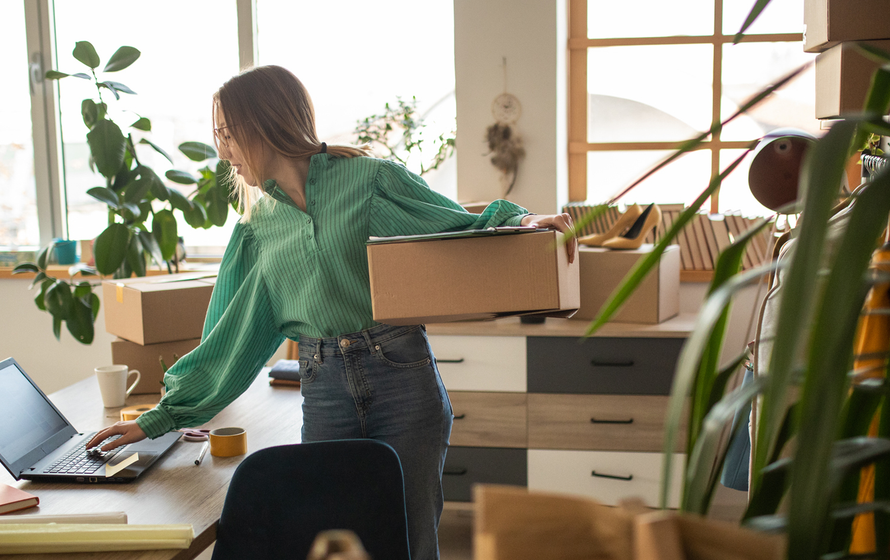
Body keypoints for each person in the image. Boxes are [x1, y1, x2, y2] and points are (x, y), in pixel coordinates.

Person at [86, 65, 575, 560]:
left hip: (403, 381)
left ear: (262, 124)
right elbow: (230, 337)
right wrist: (160, 418)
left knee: (408, 542)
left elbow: (453, 224)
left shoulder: (368, 180)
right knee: (332, 542)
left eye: (226, 134)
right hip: (324, 392)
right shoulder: (258, 229)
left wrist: (523, 222)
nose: (221, 151)